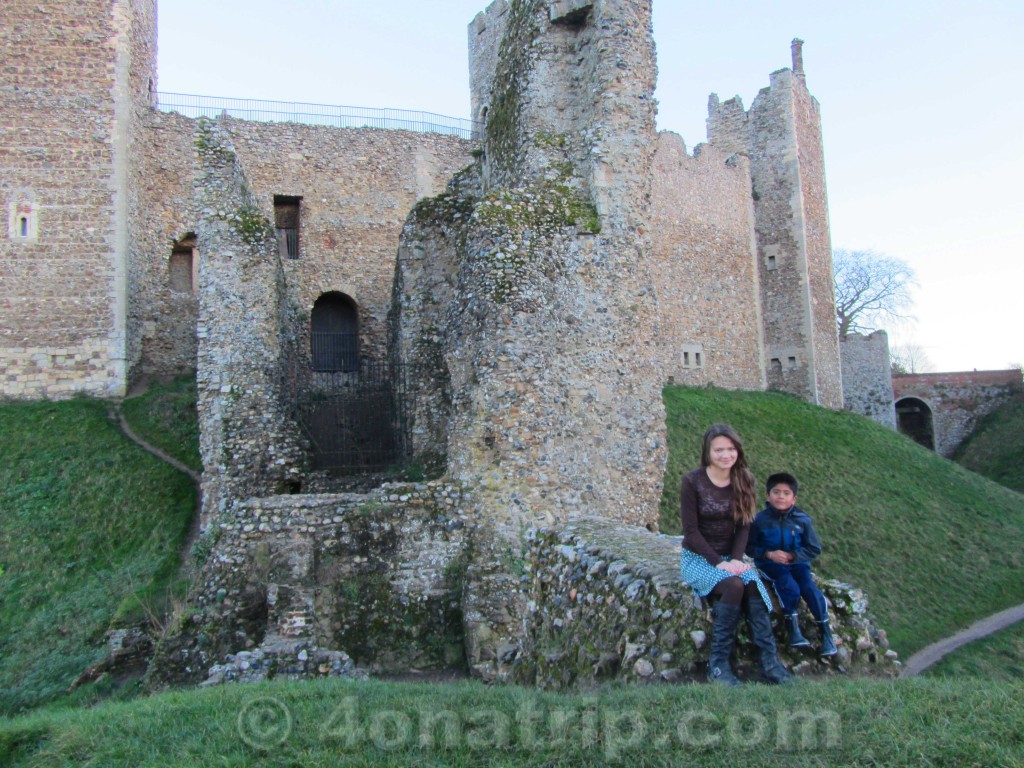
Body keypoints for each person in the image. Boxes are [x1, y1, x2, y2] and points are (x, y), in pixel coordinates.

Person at [679, 424, 792, 686]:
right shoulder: (692, 482)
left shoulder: (744, 479)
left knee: (752, 584)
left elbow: (744, 524)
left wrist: (736, 560)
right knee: (733, 585)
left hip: (731, 556)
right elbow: (691, 532)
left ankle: (769, 662)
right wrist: (719, 563)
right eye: (719, 450)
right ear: (708, 453)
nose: (726, 455)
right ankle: (718, 665)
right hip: (699, 558)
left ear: (738, 451)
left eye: (731, 449)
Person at [746, 472, 837, 656]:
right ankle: (793, 630)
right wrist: (769, 554)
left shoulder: (802, 520)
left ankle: (826, 635)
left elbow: (814, 548)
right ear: (767, 495)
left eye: (786, 493)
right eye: (776, 492)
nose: (781, 497)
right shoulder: (759, 520)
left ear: (794, 499)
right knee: (788, 585)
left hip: (798, 564)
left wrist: (793, 556)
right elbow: (749, 547)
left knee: (809, 589)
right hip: (770, 565)